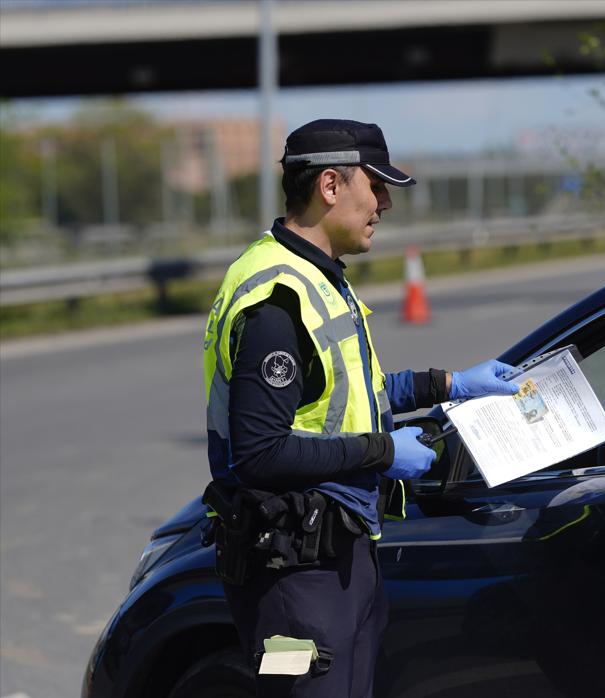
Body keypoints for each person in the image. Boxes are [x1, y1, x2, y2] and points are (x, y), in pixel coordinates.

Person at [200, 119, 519, 697]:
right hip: (291, 579)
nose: (386, 204)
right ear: (330, 186)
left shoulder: (319, 278)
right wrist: (384, 452)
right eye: (377, 187)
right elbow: (259, 452)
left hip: (339, 558)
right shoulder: (275, 302)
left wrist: (453, 384)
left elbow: (352, 396)